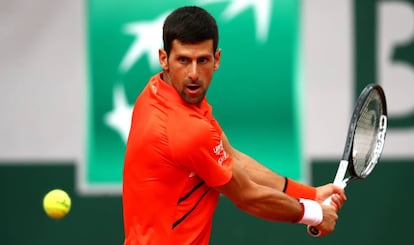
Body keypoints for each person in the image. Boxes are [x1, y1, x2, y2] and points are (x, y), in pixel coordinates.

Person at [122, 5, 346, 245]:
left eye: (203, 60)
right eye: (183, 60)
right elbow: (248, 196)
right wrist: (314, 214)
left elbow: (232, 159)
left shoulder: (157, 92)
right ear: (164, 58)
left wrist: (310, 194)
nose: (194, 74)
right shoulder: (188, 130)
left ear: (216, 59)